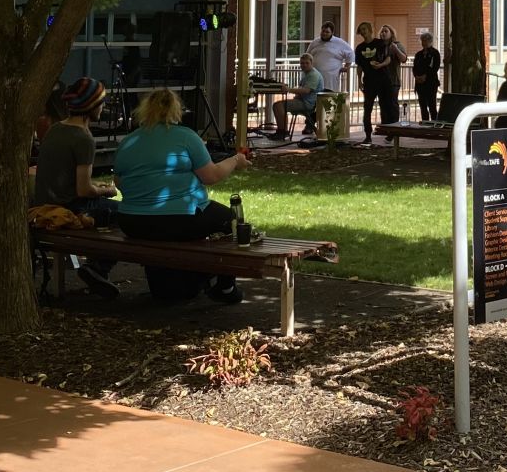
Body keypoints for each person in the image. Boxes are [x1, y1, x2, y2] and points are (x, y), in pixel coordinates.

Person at [113, 87, 252, 304]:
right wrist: (235, 160)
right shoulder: (186, 137)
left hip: (132, 221)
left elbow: (120, 183)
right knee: (232, 221)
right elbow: (211, 176)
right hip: (180, 218)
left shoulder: (128, 141)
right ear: (176, 110)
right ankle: (225, 286)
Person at [33, 77, 121, 298]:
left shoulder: (54, 130)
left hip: (43, 203)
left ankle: (96, 267)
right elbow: (83, 190)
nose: (103, 107)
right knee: (126, 214)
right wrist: (106, 190)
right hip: (71, 208)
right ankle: (98, 267)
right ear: (90, 106)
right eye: (100, 102)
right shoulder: (83, 138)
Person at [358, 24, 407, 141]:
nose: (383, 33)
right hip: (377, 81)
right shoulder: (378, 45)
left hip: (392, 81)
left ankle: (394, 132)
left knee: (392, 106)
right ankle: (386, 131)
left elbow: (403, 59)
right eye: (382, 31)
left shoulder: (396, 45)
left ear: (391, 33)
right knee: (383, 106)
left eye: (386, 31)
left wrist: (393, 51)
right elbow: (361, 64)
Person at [264, 55, 323, 140]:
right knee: (277, 105)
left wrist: (288, 89)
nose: (304, 65)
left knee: (278, 105)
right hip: (303, 101)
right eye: (302, 63)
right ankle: (281, 131)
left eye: (307, 63)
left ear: (311, 63)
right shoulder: (307, 74)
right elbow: (302, 90)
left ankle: (283, 131)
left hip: (307, 104)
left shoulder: (313, 75)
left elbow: (306, 90)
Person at [305, 21, 355, 91]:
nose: (324, 33)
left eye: (327, 32)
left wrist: (347, 66)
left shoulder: (339, 42)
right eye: (323, 31)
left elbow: (351, 54)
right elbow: (307, 56)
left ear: (332, 33)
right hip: (315, 77)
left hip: (331, 79)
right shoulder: (315, 42)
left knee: (329, 98)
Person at [410, 28, 442, 121]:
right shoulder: (418, 54)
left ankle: (434, 125)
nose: (423, 42)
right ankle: (425, 124)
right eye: (422, 40)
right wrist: (416, 76)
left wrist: (425, 76)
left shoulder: (435, 53)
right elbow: (414, 67)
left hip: (431, 83)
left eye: (426, 40)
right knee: (423, 106)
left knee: (432, 106)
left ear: (430, 41)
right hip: (420, 84)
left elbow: (435, 67)